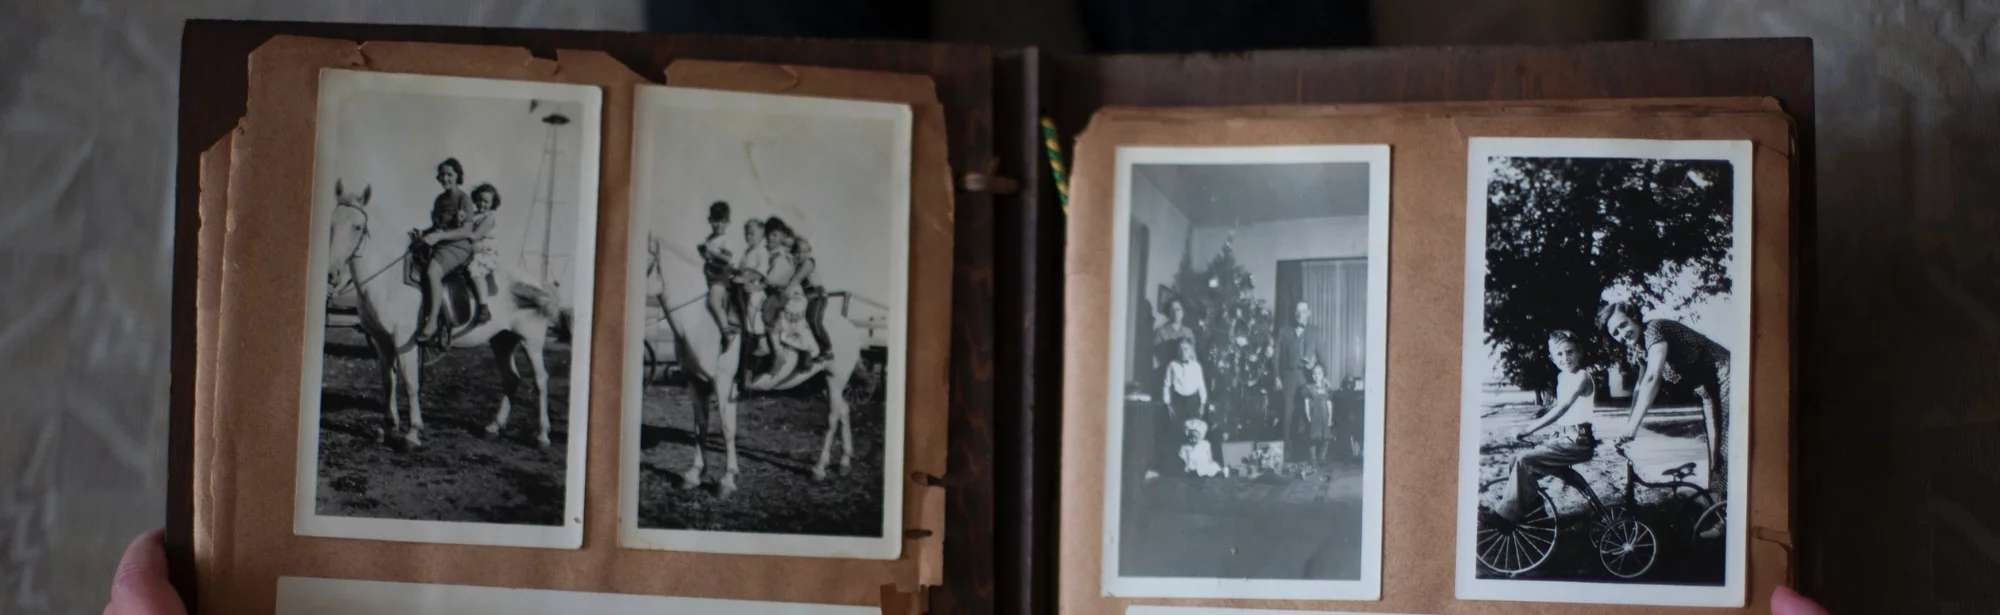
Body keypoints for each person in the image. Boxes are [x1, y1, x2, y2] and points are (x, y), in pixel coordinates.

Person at [1599, 301, 1732, 503]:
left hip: (1725, 374)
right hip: (1707, 389)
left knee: (1726, 445)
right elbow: (1640, 387)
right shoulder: (1639, 348)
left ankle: (1730, 512)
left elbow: (1653, 378)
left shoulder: (1655, 329)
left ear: (1634, 317)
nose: (1622, 334)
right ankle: (1722, 512)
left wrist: (1632, 427)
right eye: (1615, 333)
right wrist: (1627, 426)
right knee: (1716, 448)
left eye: (1623, 325)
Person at [1493, 330, 1603, 522]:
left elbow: (1563, 408)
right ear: (1552, 358)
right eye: (1559, 354)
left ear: (1580, 353)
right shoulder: (1562, 378)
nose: (1565, 358)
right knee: (1515, 461)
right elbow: (1560, 412)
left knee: (1524, 459)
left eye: (1570, 352)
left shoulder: (1582, 376)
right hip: (1564, 439)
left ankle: (1506, 515)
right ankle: (1536, 514)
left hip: (1578, 443)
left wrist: (1528, 429)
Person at [418, 158, 477, 342]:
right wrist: (423, 233)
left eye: (449, 174)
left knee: (433, 271)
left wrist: (439, 236)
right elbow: (437, 227)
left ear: (457, 176)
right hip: (442, 243)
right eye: (442, 174)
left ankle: (433, 321)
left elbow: (467, 231)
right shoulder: (439, 200)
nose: (445, 178)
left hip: (459, 245)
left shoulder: (464, 199)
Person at [1275, 301, 1322, 461]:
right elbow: (1276, 356)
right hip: (1288, 377)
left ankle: (1307, 453)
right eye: (1297, 311)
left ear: (1309, 312)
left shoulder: (1315, 331)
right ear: (1294, 314)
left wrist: (1319, 371)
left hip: (1306, 378)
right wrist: (1276, 376)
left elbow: (1321, 356)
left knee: (1306, 414)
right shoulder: (1284, 331)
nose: (1300, 314)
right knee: (1288, 413)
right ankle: (1287, 452)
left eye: (1303, 311)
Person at [778, 229, 833, 363]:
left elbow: (795, 280)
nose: (802, 255)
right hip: (808, 298)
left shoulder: (809, 263)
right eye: (798, 252)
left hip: (818, 297)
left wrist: (785, 293)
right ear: (793, 253)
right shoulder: (795, 265)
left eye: (805, 252)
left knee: (813, 319)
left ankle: (827, 349)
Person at [697, 201, 737, 345]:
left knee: (713, 301)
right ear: (710, 221)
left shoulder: (725, 240)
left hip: (720, 277)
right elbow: (707, 258)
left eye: (722, 222)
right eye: (715, 221)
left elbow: (728, 258)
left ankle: (727, 332)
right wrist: (703, 252)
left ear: (728, 222)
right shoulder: (709, 238)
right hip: (709, 275)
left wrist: (712, 252)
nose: (718, 225)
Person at [733, 218, 771, 357]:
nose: (748, 237)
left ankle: (762, 342)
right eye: (746, 234)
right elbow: (741, 268)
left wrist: (744, 279)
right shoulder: (746, 252)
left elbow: (760, 272)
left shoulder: (762, 252)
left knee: (753, 306)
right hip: (744, 287)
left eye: (751, 234)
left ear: (761, 235)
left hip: (756, 288)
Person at [464, 183, 504, 307]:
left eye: (486, 202)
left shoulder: (489, 218)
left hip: (485, 251)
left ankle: (483, 306)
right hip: (473, 248)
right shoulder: (473, 215)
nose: (482, 204)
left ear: (492, 203)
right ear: (475, 200)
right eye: (480, 200)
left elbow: (475, 236)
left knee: (474, 269)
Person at [1298, 362, 1337, 465]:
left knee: (1326, 439)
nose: (1317, 376)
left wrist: (1330, 418)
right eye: (1314, 373)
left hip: (1324, 418)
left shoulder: (1326, 389)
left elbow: (1329, 404)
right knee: (1312, 439)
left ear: (1323, 375)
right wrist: (1308, 416)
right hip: (1314, 417)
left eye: (1319, 373)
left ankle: (1322, 458)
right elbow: (1306, 403)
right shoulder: (1309, 388)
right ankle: (1313, 459)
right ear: (1312, 376)